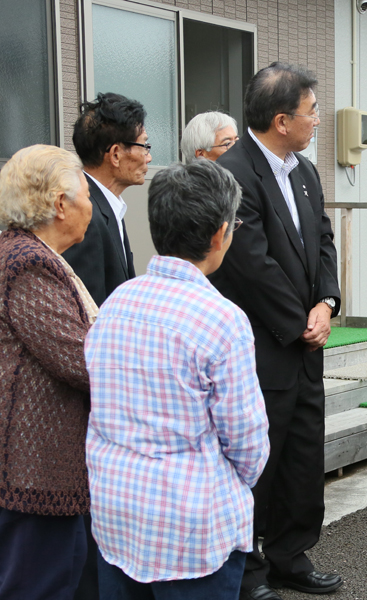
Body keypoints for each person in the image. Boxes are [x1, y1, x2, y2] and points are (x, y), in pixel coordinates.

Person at [85, 160, 270, 597]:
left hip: (116, 515)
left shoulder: (115, 303)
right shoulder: (221, 319)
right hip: (190, 530)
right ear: (218, 234)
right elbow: (247, 444)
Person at [208, 62, 342, 599]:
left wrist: (328, 303)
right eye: (311, 112)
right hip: (263, 347)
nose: (317, 121)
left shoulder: (304, 171)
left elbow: (325, 242)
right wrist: (299, 322)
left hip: (307, 343)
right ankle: (249, 569)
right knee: (257, 464)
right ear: (282, 120)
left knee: (303, 459)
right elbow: (249, 263)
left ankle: (292, 555)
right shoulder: (234, 172)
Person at [0, 144, 97, 599]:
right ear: (61, 204)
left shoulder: (28, 255)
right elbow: (81, 360)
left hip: (38, 465)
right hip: (35, 467)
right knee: (41, 585)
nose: (91, 205)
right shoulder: (29, 264)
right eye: (86, 194)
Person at [64, 92, 149, 306]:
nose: (148, 157)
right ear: (116, 155)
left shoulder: (107, 205)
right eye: (144, 146)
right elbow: (88, 313)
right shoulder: (85, 217)